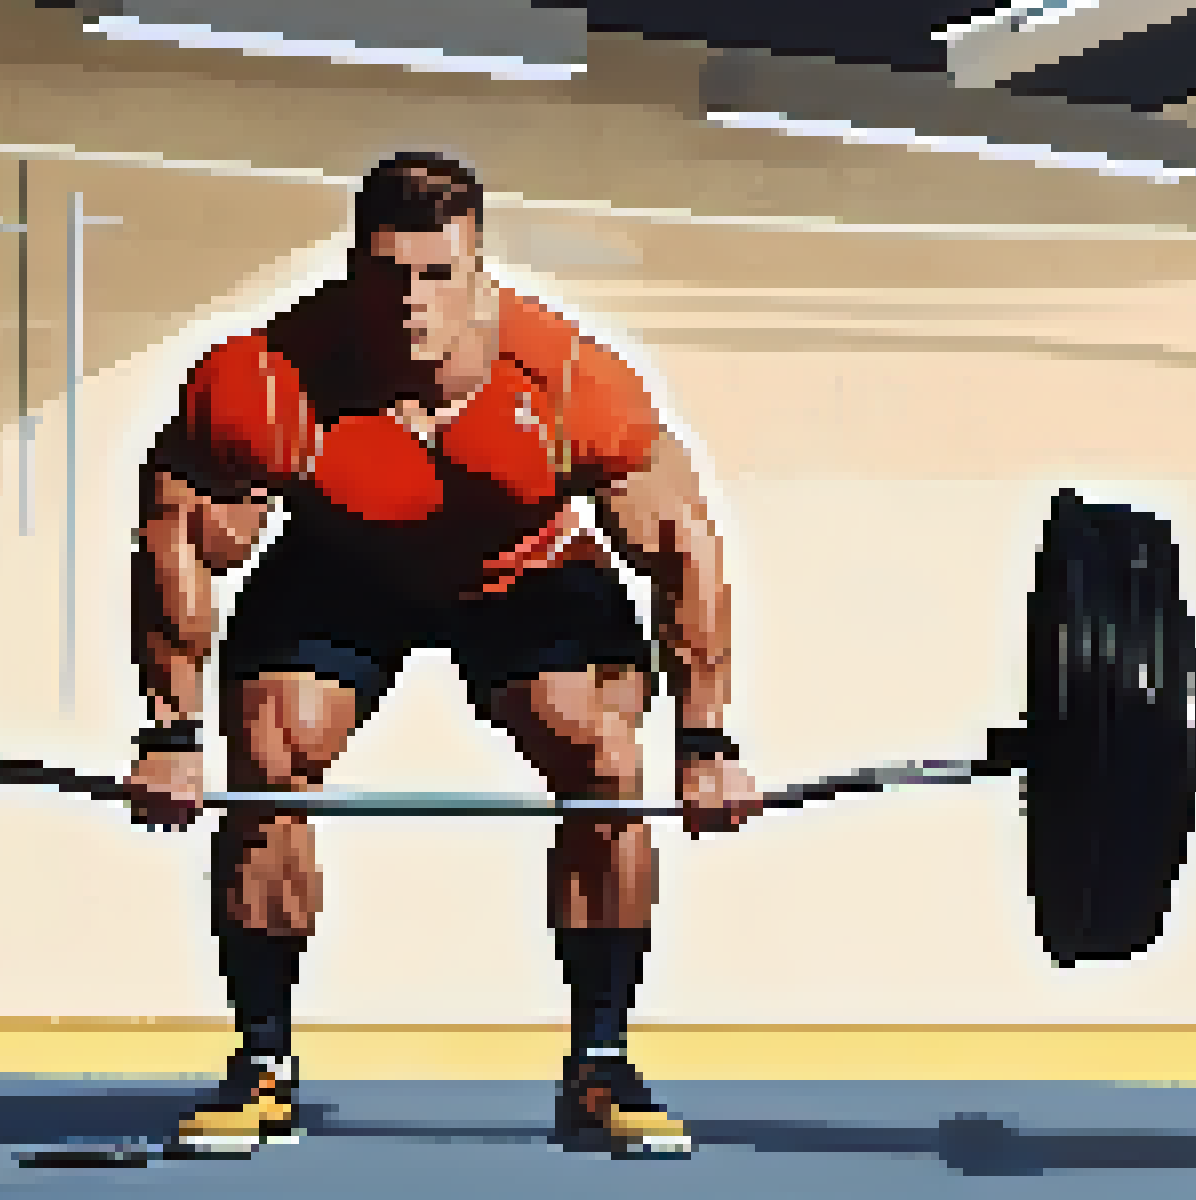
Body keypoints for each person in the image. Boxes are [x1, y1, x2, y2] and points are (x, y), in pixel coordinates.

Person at [122, 150, 762, 1158]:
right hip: (344, 562)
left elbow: (684, 543)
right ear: (352, 266)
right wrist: (168, 727)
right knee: (268, 756)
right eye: (389, 275)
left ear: (478, 267)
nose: (413, 302)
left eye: (438, 275)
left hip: (526, 567)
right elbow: (180, 529)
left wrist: (708, 739)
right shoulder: (273, 379)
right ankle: (263, 1063)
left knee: (604, 758)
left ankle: (601, 1063)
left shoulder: (567, 385)